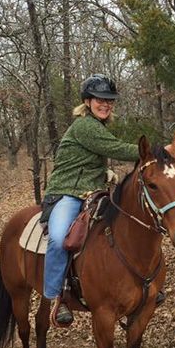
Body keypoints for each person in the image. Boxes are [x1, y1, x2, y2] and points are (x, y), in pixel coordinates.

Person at [42, 74, 141, 327]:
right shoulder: (84, 126)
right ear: (87, 102)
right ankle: (57, 296)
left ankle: (134, 287)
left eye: (109, 100)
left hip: (94, 192)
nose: (105, 104)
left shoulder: (99, 126)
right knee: (59, 237)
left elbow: (92, 158)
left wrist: (103, 173)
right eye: (100, 99)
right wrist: (153, 152)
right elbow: (116, 148)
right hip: (67, 192)